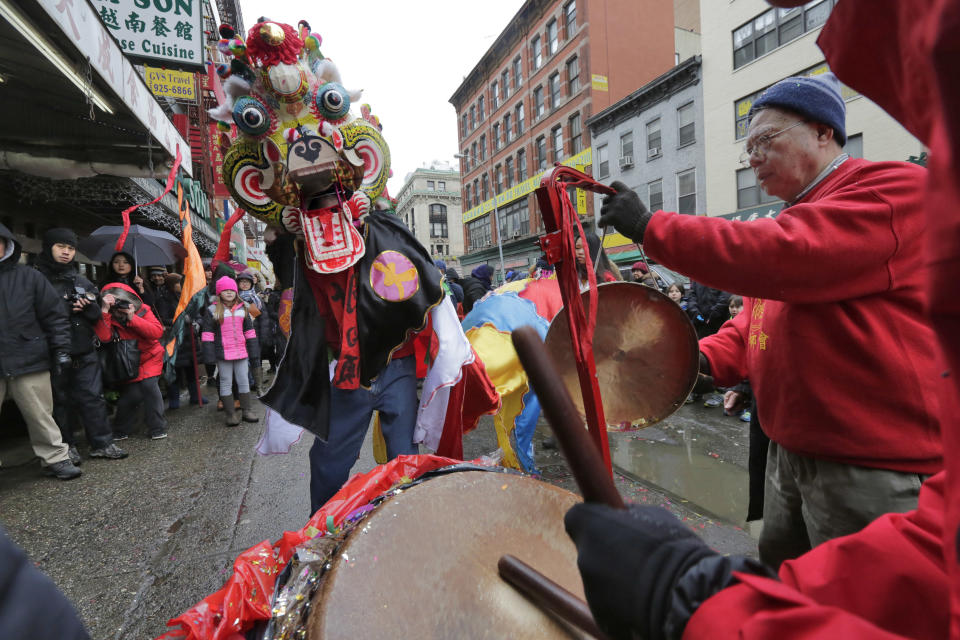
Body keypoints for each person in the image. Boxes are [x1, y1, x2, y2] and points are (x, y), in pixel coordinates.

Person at [596, 71, 941, 570]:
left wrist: (651, 227)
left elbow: (787, 254)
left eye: (765, 140)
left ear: (823, 132)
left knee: (865, 608)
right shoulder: (796, 219)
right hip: (791, 453)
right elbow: (757, 324)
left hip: (872, 464)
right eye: (747, 146)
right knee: (790, 589)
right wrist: (698, 361)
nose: (752, 157)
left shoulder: (892, 189)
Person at [34, 228, 127, 463]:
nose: (66, 252)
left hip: (85, 349)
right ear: (48, 247)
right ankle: (66, 447)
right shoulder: (35, 279)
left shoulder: (81, 279)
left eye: (71, 248)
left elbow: (97, 315)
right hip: (51, 351)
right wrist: (64, 309)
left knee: (93, 398)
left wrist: (91, 308)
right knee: (59, 403)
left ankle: (102, 443)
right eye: (61, 247)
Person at [0, 223, 81, 480]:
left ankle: (55, 458)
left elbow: (54, 316)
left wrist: (61, 351)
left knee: (41, 414)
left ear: (7, 244)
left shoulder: (29, 277)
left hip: (28, 355)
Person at [95, 282, 167, 440]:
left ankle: (157, 428)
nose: (119, 304)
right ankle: (121, 429)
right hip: (128, 362)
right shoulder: (107, 316)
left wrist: (132, 318)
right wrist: (105, 310)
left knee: (149, 386)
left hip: (150, 356)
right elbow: (104, 338)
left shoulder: (143, 310)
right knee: (131, 395)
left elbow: (156, 332)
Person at [201, 276, 260, 426]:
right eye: (225, 290)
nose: (229, 292)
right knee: (226, 382)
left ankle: (247, 410)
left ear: (236, 292)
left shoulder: (244, 308)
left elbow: (250, 332)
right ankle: (231, 414)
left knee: (244, 380)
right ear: (219, 293)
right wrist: (209, 356)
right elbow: (207, 334)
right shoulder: (212, 310)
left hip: (241, 352)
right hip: (223, 353)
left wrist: (253, 351)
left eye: (231, 290)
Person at [236, 271, 268, 394]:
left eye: (247, 282)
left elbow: (264, 319)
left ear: (251, 284)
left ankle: (258, 387)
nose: (244, 284)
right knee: (243, 360)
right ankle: (247, 384)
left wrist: (264, 336)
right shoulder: (234, 299)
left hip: (255, 335)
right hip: (239, 335)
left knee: (255, 359)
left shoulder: (257, 300)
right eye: (241, 282)